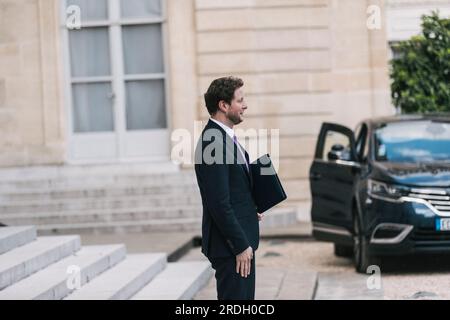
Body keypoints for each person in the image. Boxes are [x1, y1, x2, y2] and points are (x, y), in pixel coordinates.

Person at [194, 76, 263, 300]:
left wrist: (250, 208)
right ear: (223, 105)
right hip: (231, 248)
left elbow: (233, 191)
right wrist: (240, 245)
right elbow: (218, 203)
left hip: (239, 244)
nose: (245, 105)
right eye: (240, 100)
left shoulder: (225, 138)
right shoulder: (213, 142)